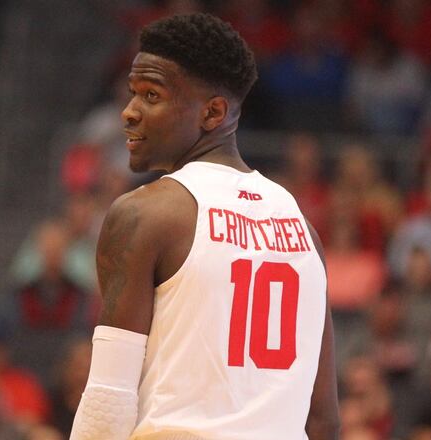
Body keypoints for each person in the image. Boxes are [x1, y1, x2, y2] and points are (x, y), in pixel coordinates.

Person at [69, 13, 338, 440]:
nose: (128, 113)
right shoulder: (304, 230)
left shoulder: (148, 214)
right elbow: (322, 419)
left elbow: (109, 397)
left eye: (151, 96)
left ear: (213, 112)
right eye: (132, 94)